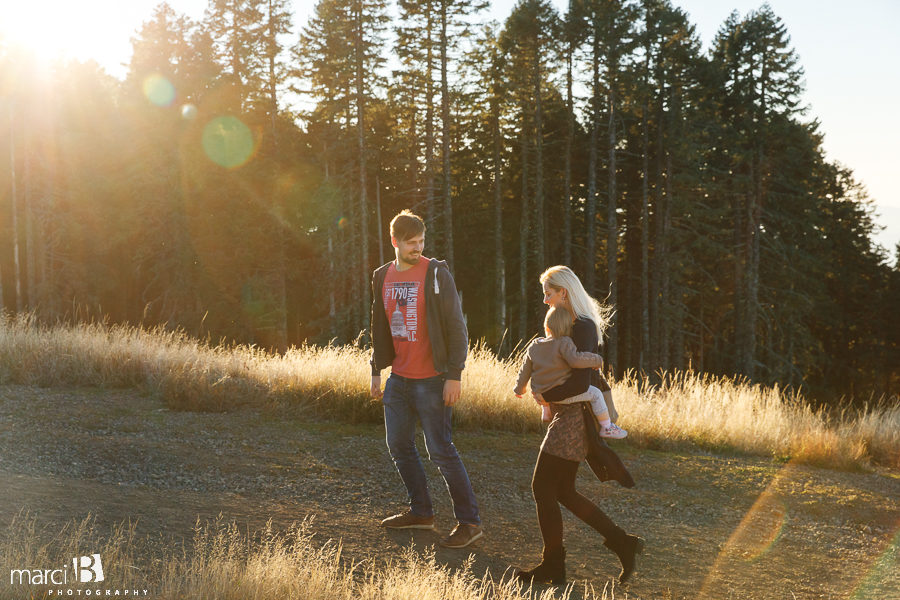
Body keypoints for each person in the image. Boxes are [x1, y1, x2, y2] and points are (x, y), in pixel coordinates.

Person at [516, 265, 643, 586]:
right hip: (569, 415)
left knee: (543, 488)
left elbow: (582, 380)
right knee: (562, 491)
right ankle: (621, 542)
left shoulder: (582, 326)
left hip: (574, 418)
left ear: (564, 292)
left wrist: (544, 394)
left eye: (549, 293)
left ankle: (554, 566)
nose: (546, 300)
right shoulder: (572, 325)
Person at [369, 209, 483, 549]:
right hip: (398, 380)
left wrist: (454, 375)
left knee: (441, 451)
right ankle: (421, 512)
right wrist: (377, 369)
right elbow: (378, 324)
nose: (417, 248)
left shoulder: (436, 273)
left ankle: (469, 522)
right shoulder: (381, 276)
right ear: (395, 242)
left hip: (433, 380)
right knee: (399, 447)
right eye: (410, 243)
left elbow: (456, 327)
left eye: (421, 241)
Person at [514, 306, 627, 439]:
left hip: (541, 392)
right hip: (560, 393)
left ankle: (546, 410)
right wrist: (596, 360)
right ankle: (607, 427)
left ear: (547, 326)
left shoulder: (534, 345)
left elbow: (525, 370)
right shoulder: (564, 343)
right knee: (595, 394)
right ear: (568, 328)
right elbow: (576, 360)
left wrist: (519, 389)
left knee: (544, 381)